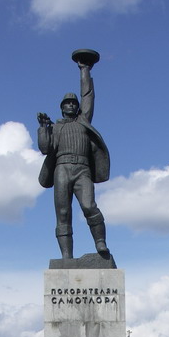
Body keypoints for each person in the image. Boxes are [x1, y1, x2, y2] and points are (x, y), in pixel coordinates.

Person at [37, 58, 110, 259]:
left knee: (89, 206)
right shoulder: (55, 127)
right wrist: (43, 129)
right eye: (67, 103)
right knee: (63, 214)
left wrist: (84, 70)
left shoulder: (83, 120)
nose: (71, 105)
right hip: (61, 168)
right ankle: (66, 257)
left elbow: (88, 95)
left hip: (82, 169)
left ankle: (100, 242)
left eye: (73, 103)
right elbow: (45, 149)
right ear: (62, 108)